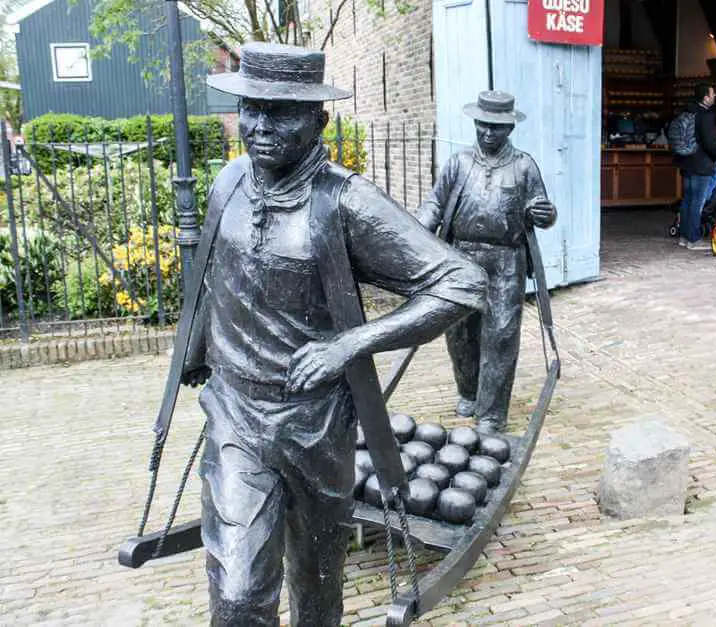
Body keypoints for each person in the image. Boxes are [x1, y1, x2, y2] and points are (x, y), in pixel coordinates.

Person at [184, 42, 488, 625]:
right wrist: (198, 349)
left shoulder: (347, 201)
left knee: (318, 582)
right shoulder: (228, 183)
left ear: (319, 120)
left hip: (317, 422)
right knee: (241, 595)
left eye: (281, 113)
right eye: (251, 108)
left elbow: (462, 282)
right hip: (236, 416)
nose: (259, 127)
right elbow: (214, 274)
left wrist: (352, 343)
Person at [416, 90, 556, 434]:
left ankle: (492, 413)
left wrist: (545, 214)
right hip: (460, 256)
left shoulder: (524, 166)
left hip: (506, 260)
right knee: (459, 332)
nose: (488, 133)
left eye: (496, 127)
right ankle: (470, 391)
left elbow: (544, 210)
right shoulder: (459, 164)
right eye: (483, 126)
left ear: (508, 128)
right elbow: (434, 205)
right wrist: (414, 233)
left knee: (501, 334)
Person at [675, 82, 716, 250]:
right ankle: (693, 239)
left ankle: (683, 236)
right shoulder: (705, 115)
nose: (715, 96)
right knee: (698, 202)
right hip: (702, 164)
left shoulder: (686, 111)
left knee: (687, 200)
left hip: (686, 162)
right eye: (713, 94)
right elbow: (710, 143)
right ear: (705, 97)